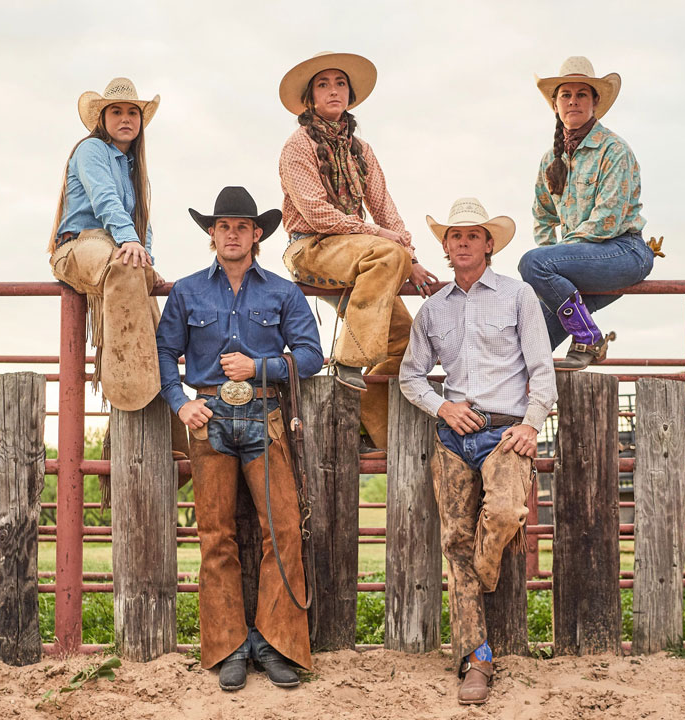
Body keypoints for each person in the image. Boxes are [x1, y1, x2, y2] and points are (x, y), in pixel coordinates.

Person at [156, 186, 324, 692]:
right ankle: (228, 646)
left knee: (284, 531)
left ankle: (275, 645)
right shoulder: (186, 292)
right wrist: (180, 401)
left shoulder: (282, 291)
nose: (232, 234)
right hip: (208, 421)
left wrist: (261, 367)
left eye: (242, 226)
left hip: (266, 415)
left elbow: (311, 354)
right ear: (212, 234)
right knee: (216, 537)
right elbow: (165, 352)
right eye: (223, 226)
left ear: (257, 234)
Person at [400, 198, 557, 705]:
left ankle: (482, 572)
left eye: (473, 235)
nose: (463, 243)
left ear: (489, 244)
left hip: (508, 433)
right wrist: (443, 410)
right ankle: (477, 659)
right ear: (445, 247)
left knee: (507, 512)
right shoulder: (433, 308)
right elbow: (410, 376)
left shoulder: (518, 295)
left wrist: (533, 425)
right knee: (453, 541)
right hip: (454, 437)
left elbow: (541, 370)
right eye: (454, 236)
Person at [277, 51, 438, 451]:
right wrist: (384, 241)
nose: (333, 90)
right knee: (386, 253)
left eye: (340, 84)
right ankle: (348, 360)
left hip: (362, 256)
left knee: (411, 342)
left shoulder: (362, 151)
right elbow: (316, 213)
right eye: (323, 84)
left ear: (349, 96)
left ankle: (367, 416)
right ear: (310, 98)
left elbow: (386, 208)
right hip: (311, 248)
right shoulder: (297, 146)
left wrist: (411, 260)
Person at [519, 57, 659, 370]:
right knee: (526, 345)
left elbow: (606, 221)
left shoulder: (614, 150)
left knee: (531, 264)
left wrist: (554, 262)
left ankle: (588, 337)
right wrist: (554, 264)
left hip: (623, 251)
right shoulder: (549, 161)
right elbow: (542, 217)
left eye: (582, 94)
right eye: (565, 95)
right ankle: (510, 412)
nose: (573, 101)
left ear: (595, 102)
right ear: (555, 105)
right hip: (577, 262)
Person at [49, 77, 165, 410]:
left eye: (133, 112)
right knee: (128, 267)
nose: (126, 118)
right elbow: (105, 200)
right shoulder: (91, 150)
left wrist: (147, 256)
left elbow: (144, 220)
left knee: (141, 278)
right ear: (103, 119)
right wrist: (130, 241)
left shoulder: (133, 166)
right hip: (78, 246)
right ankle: (132, 393)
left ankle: (164, 417)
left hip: (114, 250)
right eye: (116, 112)